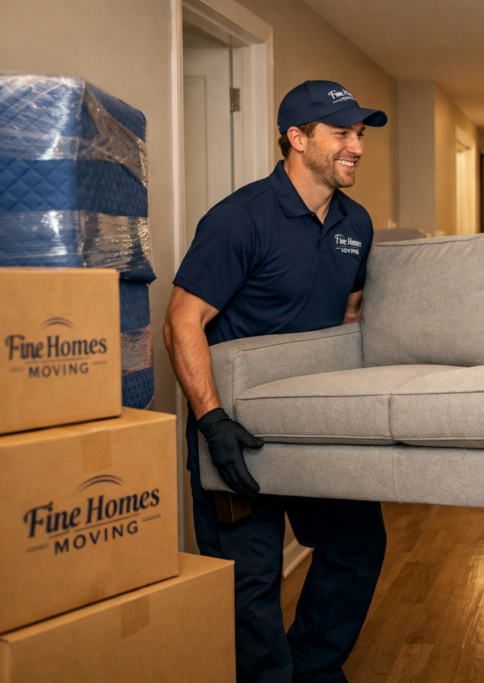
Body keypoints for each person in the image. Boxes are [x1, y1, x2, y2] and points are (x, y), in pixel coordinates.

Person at [164, 80, 388, 683]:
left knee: (357, 547)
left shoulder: (355, 222)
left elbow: (348, 315)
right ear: (297, 138)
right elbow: (183, 321)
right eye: (342, 133)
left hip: (315, 421)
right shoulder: (240, 219)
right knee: (248, 583)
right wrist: (212, 422)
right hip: (234, 426)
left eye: (359, 135)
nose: (356, 147)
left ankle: (314, 670)